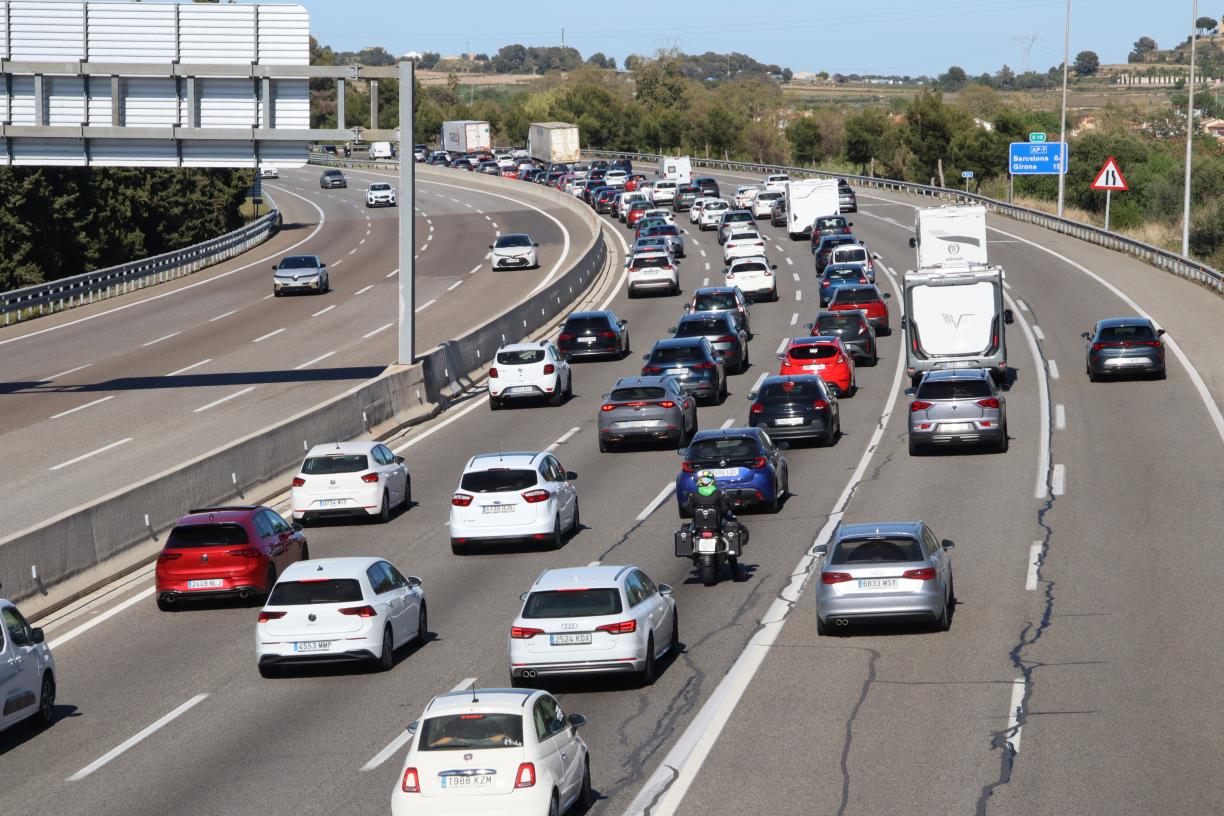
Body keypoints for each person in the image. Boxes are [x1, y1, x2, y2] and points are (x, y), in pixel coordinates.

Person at [683, 471, 747, 574]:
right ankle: (736, 573)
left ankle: (692, 553)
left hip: (699, 526)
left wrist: (695, 513)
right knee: (730, 538)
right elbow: (726, 508)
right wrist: (725, 509)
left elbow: (688, 509)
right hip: (717, 525)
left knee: (689, 531)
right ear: (713, 481)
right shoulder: (719, 493)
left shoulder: (693, 494)